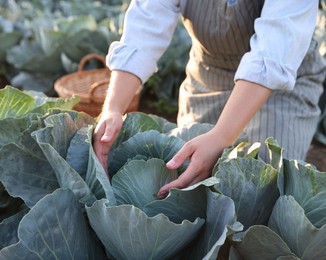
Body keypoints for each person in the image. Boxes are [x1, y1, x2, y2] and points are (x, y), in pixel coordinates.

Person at [93, 0, 326, 199]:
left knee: (262, 189)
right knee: (187, 182)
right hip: (207, 80)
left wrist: (221, 136)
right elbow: (144, 28)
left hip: (281, 88)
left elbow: (273, 54)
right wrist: (113, 108)